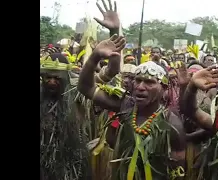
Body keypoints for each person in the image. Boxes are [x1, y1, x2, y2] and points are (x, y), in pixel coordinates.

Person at [78, 34, 208, 179]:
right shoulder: (125, 105)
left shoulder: (172, 123)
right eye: (138, 80)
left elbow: (177, 172)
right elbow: (85, 87)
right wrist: (95, 56)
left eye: (149, 82)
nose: (140, 87)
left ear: (164, 88)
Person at [40, 53, 89, 180]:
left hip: (69, 161)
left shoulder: (77, 95)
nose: (51, 82)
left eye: (57, 78)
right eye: (48, 77)